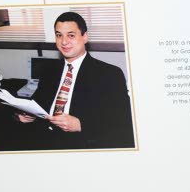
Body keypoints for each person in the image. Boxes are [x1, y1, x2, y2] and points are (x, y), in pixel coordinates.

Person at [16, 11, 134, 149]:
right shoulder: (49, 70)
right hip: (43, 138)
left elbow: (121, 122)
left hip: (80, 142)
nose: (64, 42)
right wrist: (26, 114)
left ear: (85, 37)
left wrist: (81, 125)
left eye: (71, 35)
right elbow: (37, 103)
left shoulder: (109, 74)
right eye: (59, 35)